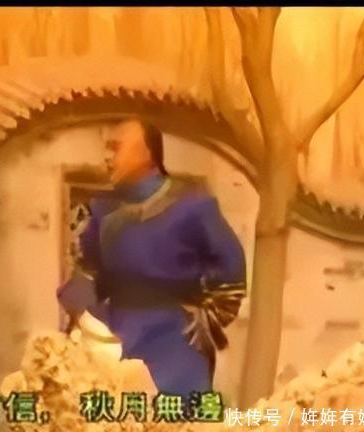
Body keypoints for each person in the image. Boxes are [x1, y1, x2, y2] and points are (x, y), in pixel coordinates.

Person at [57, 117, 247, 399]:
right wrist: (80, 314)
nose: (107, 157)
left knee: (175, 415)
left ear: (146, 153)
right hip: (114, 343)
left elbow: (231, 270)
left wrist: (206, 322)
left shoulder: (194, 205)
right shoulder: (102, 212)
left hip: (174, 345)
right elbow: (88, 269)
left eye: (116, 148)